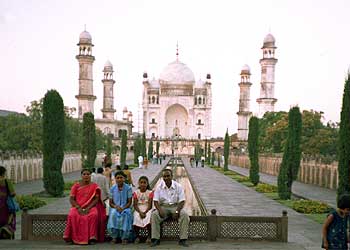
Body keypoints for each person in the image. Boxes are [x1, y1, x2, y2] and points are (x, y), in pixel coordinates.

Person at [63, 169, 107, 245]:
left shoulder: (94, 186)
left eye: (88, 174)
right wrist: (78, 207)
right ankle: (70, 237)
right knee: (72, 215)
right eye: (84, 174)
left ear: (91, 175)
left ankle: (92, 237)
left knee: (93, 215)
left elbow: (96, 199)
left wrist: (88, 208)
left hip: (90, 207)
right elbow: (71, 199)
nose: (86, 176)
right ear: (81, 175)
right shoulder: (76, 186)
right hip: (77, 207)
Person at [151, 168, 190, 247]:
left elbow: (182, 201)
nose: (166, 178)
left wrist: (177, 211)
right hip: (163, 207)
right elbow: (155, 201)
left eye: (168, 176)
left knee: (185, 215)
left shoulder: (178, 186)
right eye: (164, 176)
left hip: (175, 206)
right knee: (154, 215)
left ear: (172, 176)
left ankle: (183, 239)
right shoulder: (159, 187)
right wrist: (160, 210)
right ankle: (156, 239)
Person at [107, 171, 133, 244]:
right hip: (115, 207)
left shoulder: (128, 188)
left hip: (126, 207)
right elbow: (110, 202)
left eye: (121, 177)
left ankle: (125, 237)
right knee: (113, 214)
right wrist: (116, 207)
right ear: (115, 179)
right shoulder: (112, 189)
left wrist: (123, 208)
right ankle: (114, 237)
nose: (119, 179)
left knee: (126, 215)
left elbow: (129, 202)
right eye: (117, 178)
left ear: (124, 178)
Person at [133, 176, 153, 243]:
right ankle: (137, 236)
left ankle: (149, 236)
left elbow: (150, 205)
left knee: (149, 217)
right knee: (136, 217)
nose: (143, 184)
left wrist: (145, 212)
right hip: (139, 208)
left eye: (144, 182)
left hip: (147, 208)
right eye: (141, 182)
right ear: (139, 183)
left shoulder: (150, 192)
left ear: (147, 184)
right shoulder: (136, 192)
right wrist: (140, 212)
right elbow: (135, 205)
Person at [0, 166, 16, 239]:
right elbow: (13, 194)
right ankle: (7, 234)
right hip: (6, 207)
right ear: (3, 173)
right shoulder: (7, 181)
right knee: (8, 222)